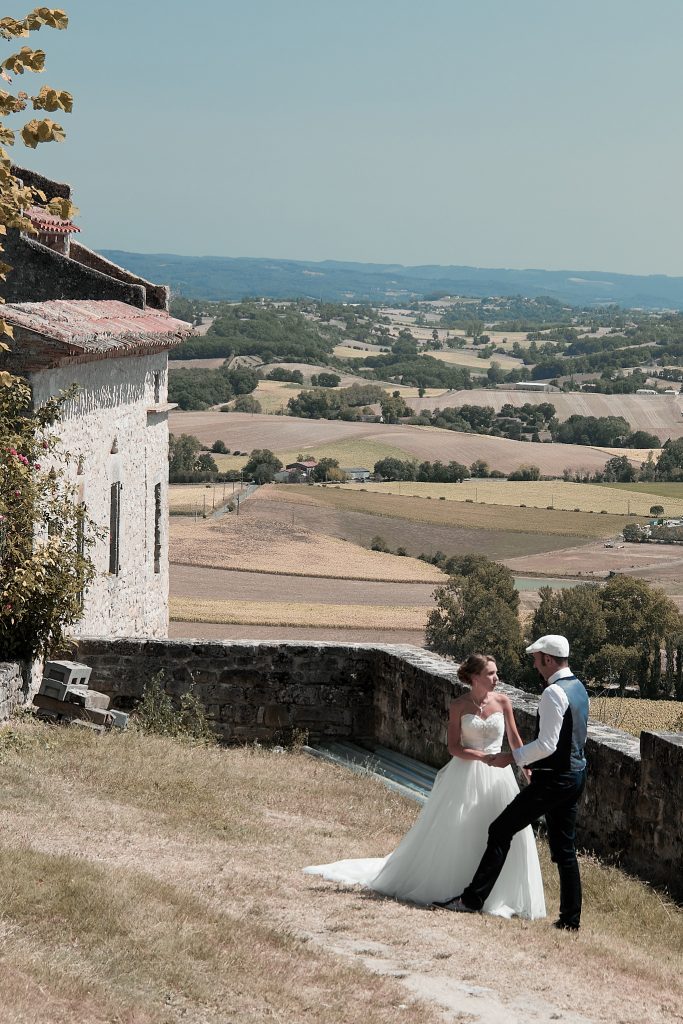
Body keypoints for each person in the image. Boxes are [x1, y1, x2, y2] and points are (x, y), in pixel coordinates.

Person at [304, 653, 546, 919]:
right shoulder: (459, 705)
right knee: (459, 828)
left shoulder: (503, 701)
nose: (497, 678)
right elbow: (454, 747)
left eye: (496, 672)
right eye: (491, 673)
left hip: (499, 778)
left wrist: (527, 770)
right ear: (475, 677)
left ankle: (499, 893)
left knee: (503, 829)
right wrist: (484, 757)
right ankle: (457, 885)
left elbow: (515, 740)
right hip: (467, 773)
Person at [434, 634, 588, 931]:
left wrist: (512, 757)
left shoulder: (553, 693)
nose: (535, 665)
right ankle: (570, 920)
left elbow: (547, 745)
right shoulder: (578, 687)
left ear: (548, 659)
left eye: (537, 659)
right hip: (575, 775)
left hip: (553, 779)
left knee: (500, 829)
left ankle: (472, 900)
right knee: (564, 849)